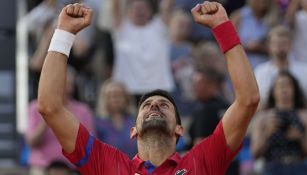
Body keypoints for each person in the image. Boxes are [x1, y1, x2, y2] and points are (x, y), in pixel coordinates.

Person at [37, 1, 259, 174]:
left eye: (164, 105)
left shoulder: (202, 160)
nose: (155, 106)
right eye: (146, 105)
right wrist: (64, 34)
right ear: (133, 130)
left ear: (179, 130)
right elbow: (50, 107)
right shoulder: (106, 164)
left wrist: (223, 27)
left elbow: (248, 100)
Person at [25, 67, 95, 175]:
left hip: (73, 169)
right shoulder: (35, 107)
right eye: (61, 82)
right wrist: (47, 117)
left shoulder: (83, 111)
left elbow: (89, 146)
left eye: (68, 83)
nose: (65, 87)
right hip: (42, 167)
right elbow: (32, 142)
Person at [251, 71, 307, 175]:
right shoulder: (263, 118)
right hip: (272, 167)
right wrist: (267, 134)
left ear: (295, 89)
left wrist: (300, 138)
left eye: (288, 85)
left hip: (298, 166)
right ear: (273, 91)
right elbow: (255, 154)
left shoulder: (304, 116)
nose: (284, 90)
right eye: (280, 86)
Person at [254, 25, 307, 108]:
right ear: (269, 46)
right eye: (276, 43)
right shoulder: (260, 72)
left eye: (284, 43)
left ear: (291, 45)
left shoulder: (304, 70)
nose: (280, 46)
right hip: (268, 116)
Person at [95, 79, 137, 158]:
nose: (115, 99)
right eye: (110, 96)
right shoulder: (97, 123)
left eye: (119, 95)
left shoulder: (135, 120)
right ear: (104, 100)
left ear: (126, 99)